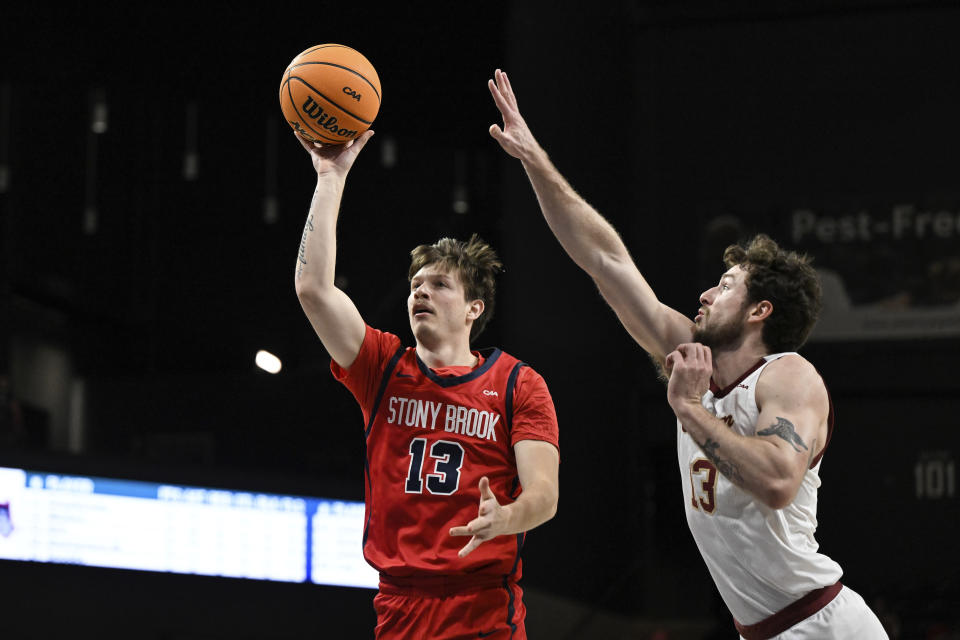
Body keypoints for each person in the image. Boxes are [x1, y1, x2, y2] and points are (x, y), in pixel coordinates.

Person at [486, 69, 887, 639]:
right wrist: (534, 159)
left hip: (824, 625)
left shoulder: (789, 376)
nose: (704, 293)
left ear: (760, 311)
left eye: (725, 285)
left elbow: (777, 481)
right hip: (764, 631)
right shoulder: (688, 354)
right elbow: (604, 259)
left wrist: (691, 409)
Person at [293, 129, 560, 640]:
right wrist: (331, 176)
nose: (421, 291)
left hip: (482, 605)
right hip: (399, 604)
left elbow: (544, 493)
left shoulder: (516, 383)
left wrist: (509, 517)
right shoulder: (383, 366)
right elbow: (311, 289)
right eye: (416, 284)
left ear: (474, 309)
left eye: (439, 284)